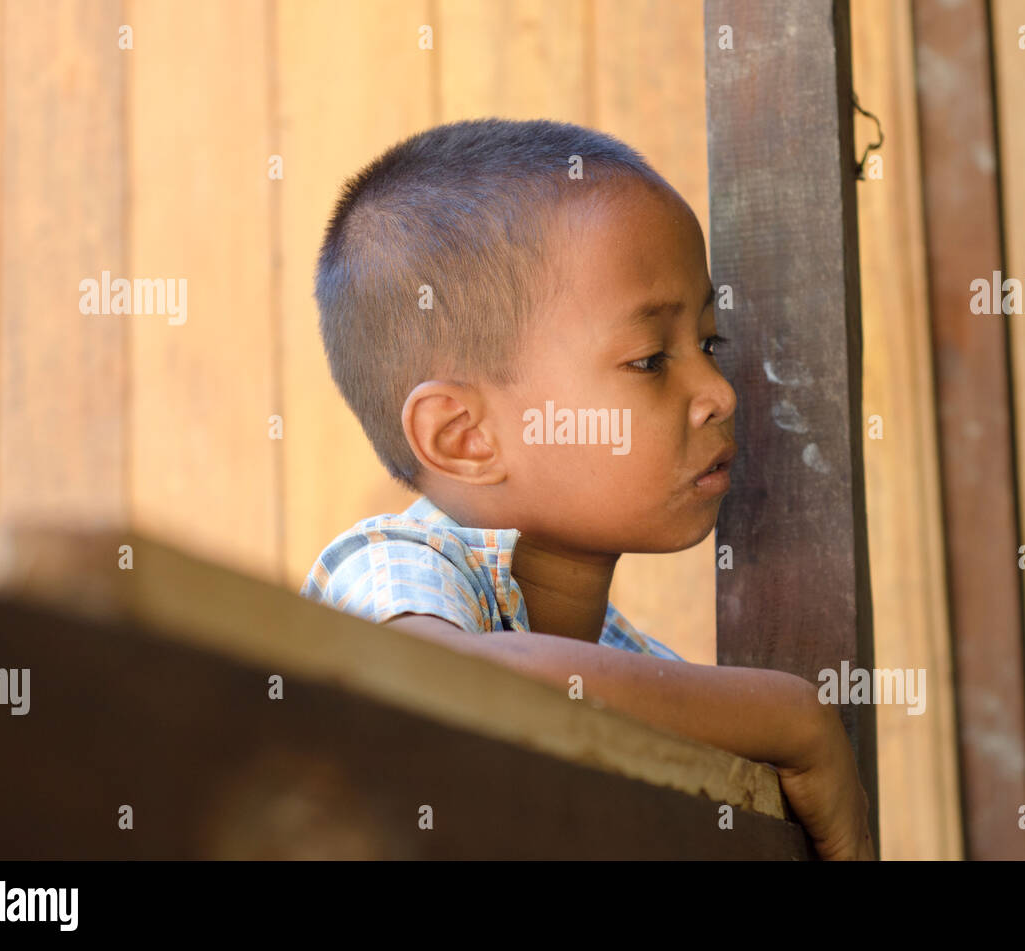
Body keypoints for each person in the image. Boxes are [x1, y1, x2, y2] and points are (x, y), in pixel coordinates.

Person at [301, 118, 873, 860]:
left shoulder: (624, 658)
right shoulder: (395, 563)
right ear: (464, 436)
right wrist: (798, 718)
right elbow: (440, 681)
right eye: (648, 359)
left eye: (708, 344)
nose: (719, 393)